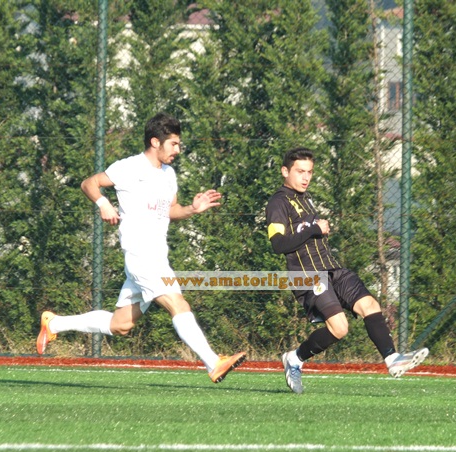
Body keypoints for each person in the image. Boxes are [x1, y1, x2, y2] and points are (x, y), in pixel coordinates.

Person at [37, 113, 246, 383]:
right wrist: (103, 204)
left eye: (179, 144)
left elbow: (170, 211)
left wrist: (192, 209)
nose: (178, 150)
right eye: (173, 144)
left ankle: (54, 323)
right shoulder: (129, 167)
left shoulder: (169, 174)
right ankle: (213, 362)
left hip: (156, 256)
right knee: (177, 302)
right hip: (140, 255)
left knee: (121, 325)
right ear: (155, 142)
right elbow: (89, 183)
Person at [266, 147, 428, 394]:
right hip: (309, 276)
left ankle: (392, 358)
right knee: (340, 329)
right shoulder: (278, 202)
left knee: (370, 305)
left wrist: (318, 229)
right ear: (285, 171)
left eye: (309, 172)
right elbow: (278, 244)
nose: (306, 177)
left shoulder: (306, 198)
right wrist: (314, 229)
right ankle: (295, 358)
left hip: (333, 269)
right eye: (300, 171)